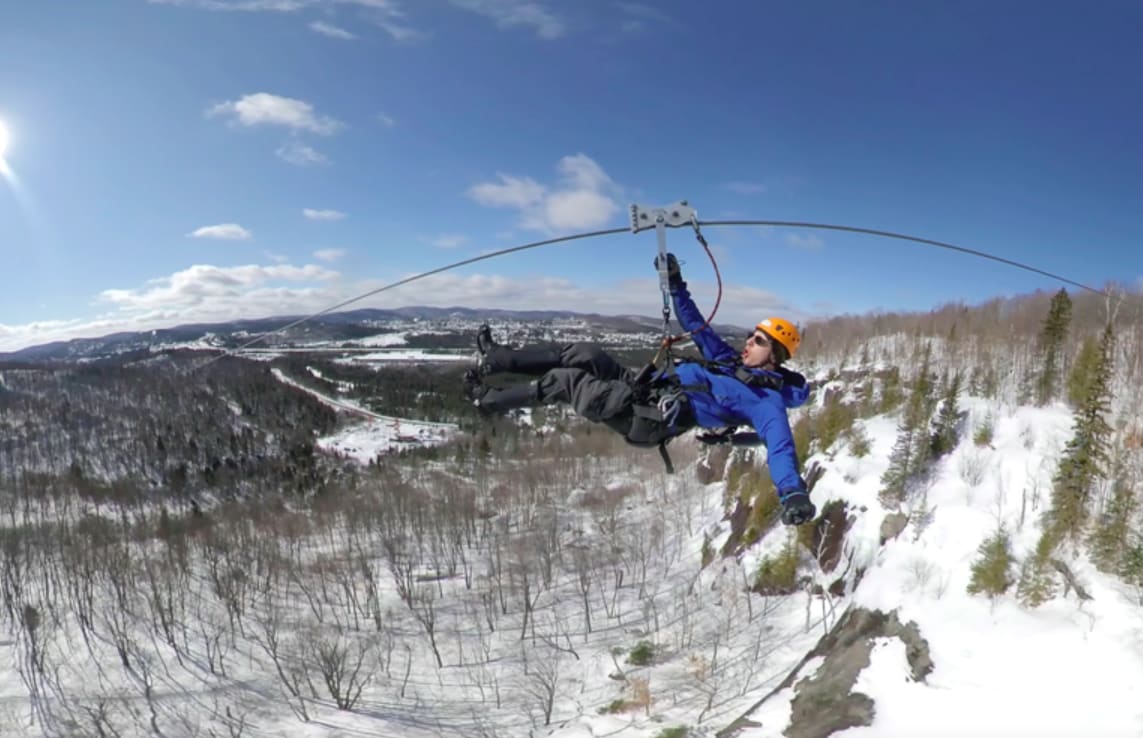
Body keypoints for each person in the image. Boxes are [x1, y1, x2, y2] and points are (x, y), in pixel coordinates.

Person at [463, 253, 816, 525]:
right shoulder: (729, 361)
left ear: (776, 356)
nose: (748, 343)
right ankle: (497, 359)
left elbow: (781, 449)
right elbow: (695, 324)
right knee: (584, 353)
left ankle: (486, 402)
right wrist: (676, 283)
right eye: (751, 337)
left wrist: (792, 493)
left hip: (646, 418)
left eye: (757, 341)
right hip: (643, 388)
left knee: (566, 381)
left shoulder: (767, 404)